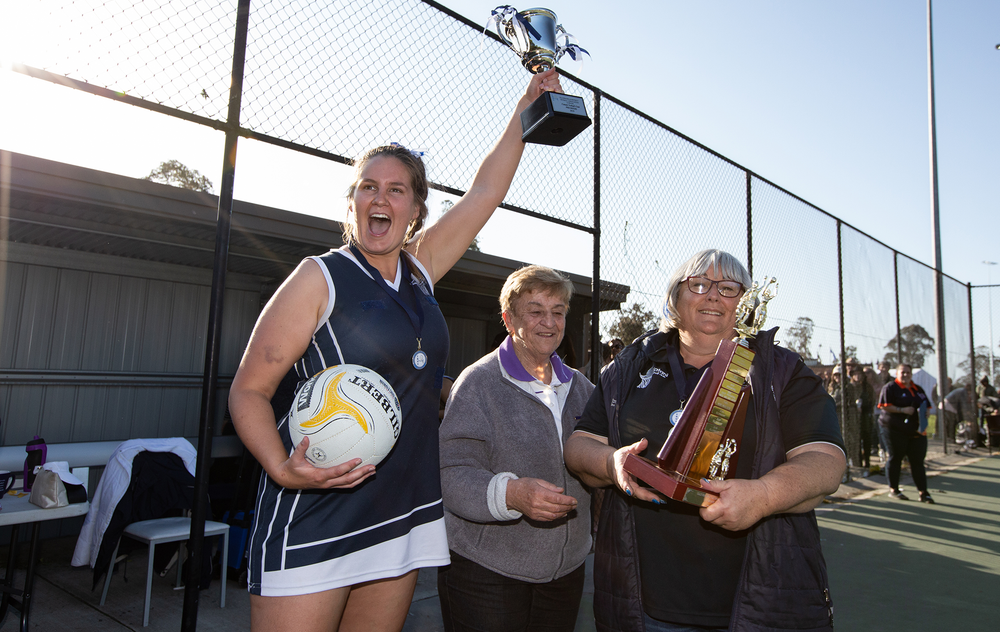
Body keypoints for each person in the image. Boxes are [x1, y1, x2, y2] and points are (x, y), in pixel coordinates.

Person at [228, 70, 564, 632]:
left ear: (414, 209)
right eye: (367, 186)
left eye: (395, 189)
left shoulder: (420, 270)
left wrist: (525, 111)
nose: (379, 198)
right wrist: (280, 468)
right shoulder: (320, 277)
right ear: (354, 200)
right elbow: (249, 390)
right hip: (316, 506)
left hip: (399, 510)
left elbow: (485, 193)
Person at [564, 249, 846, 632]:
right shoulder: (630, 366)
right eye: (698, 284)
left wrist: (764, 496)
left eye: (729, 288)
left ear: (747, 306)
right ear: (675, 298)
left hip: (757, 603)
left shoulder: (782, 370)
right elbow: (579, 445)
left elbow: (825, 461)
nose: (713, 296)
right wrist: (612, 464)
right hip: (642, 604)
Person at [437, 265, 594, 632]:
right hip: (487, 574)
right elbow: (452, 472)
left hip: (566, 572)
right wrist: (513, 494)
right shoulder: (478, 383)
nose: (549, 322)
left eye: (558, 311)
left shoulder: (583, 389)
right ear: (509, 319)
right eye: (536, 310)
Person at [877, 363, 934, 503]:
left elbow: (927, 405)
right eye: (902, 372)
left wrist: (926, 412)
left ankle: (923, 492)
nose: (905, 375)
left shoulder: (918, 389)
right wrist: (902, 410)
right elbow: (885, 406)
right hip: (894, 430)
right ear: (897, 374)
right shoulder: (890, 388)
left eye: (908, 372)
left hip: (916, 431)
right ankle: (894, 490)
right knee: (895, 458)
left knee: (918, 462)